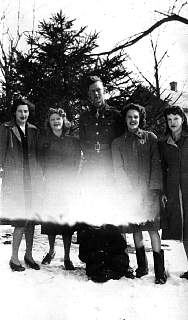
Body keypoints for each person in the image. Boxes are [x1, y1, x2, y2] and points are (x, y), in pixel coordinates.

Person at [78, 75, 134, 279]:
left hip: (111, 172)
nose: (96, 94)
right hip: (92, 172)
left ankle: (119, 261)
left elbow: (122, 141)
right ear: (88, 94)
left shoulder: (116, 115)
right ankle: (96, 261)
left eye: (99, 90)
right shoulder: (84, 117)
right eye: (92, 91)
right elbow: (83, 142)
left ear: (104, 91)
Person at [112, 103, 167, 284]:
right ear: (125, 120)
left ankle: (160, 270)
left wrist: (154, 190)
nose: (133, 120)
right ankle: (142, 266)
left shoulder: (150, 138)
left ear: (140, 118)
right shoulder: (118, 143)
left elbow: (156, 165)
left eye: (136, 117)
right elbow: (118, 169)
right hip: (129, 195)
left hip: (149, 192)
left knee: (152, 230)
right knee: (135, 229)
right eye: (129, 117)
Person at [0, 97, 43, 271]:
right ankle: (14, 258)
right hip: (15, 180)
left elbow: (37, 155)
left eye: (26, 111)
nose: (23, 114)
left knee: (30, 220)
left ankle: (29, 255)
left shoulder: (33, 130)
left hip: (31, 180)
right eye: (20, 111)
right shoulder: (6, 129)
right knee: (20, 220)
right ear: (14, 112)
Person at [38, 107, 81, 270]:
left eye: (58, 118)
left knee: (66, 225)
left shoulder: (73, 141)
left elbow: (78, 163)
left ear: (64, 121)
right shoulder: (44, 141)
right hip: (50, 186)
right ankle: (51, 251)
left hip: (68, 187)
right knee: (51, 222)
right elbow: (40, 162)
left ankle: (67, 257)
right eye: (52, 119)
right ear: (49, 123)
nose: (56, 122)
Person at [159, 105, 188, 280]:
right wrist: (163, 190)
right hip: (173, 190)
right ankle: (180, 267)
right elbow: (162, 168)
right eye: (169, 119)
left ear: (183, 119)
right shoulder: (164, 143)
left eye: (175, 119)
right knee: (178, 228)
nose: (172, 123)